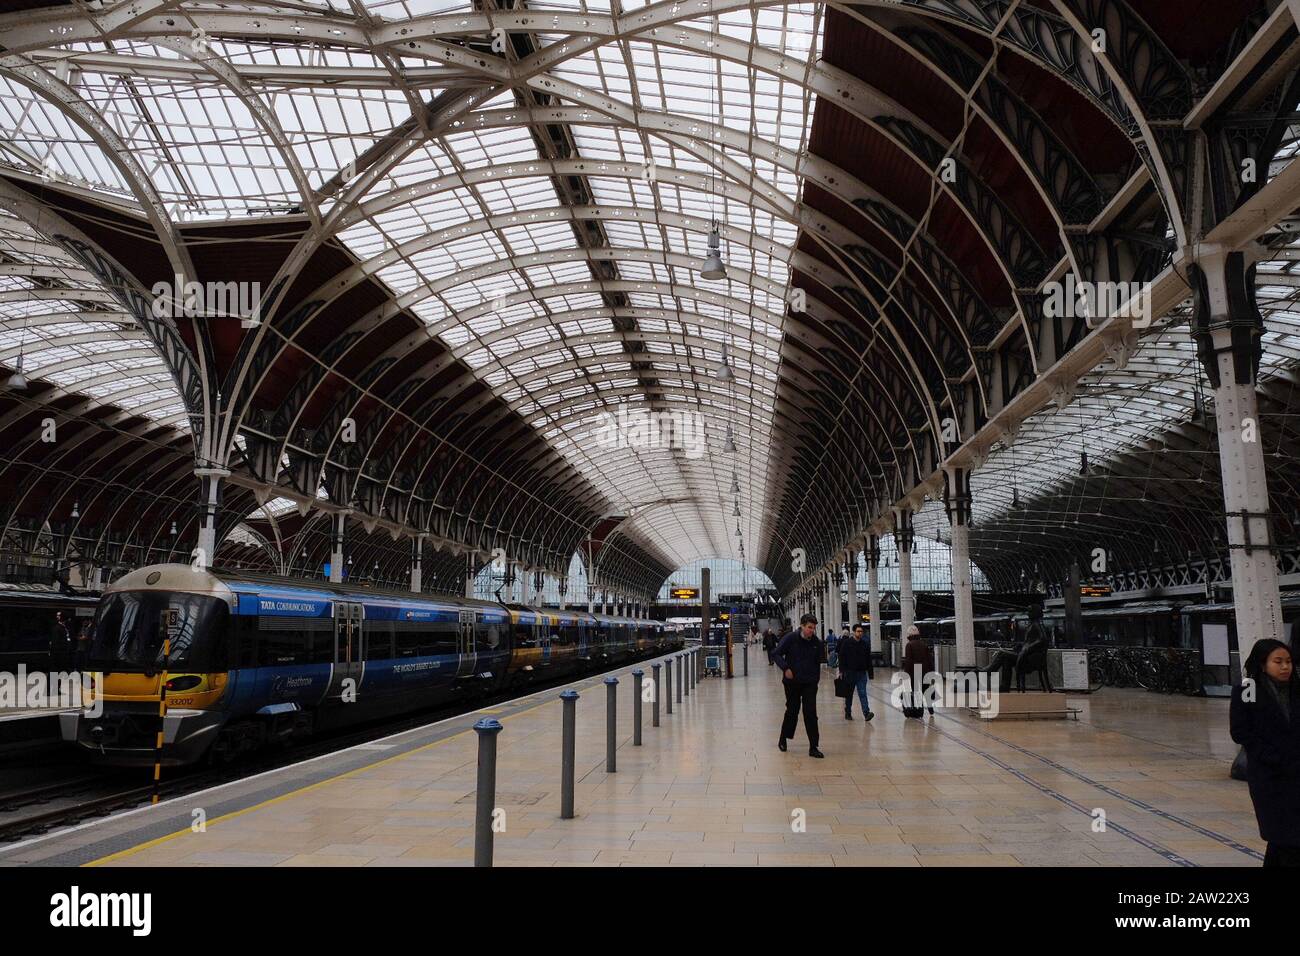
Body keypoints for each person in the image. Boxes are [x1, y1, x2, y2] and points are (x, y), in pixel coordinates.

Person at [1230, 638, 1300, 866]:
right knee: (1283, 834)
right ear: (1262, 664)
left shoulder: (1296, 688)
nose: (1285, 667)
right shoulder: (1248, 688)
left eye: (1288, 661)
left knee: (1289, 838)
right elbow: (1241, 731)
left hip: (1297, 772)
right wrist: (1269, 755)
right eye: (1278, 661)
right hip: (1269, 775)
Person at [772, 613, 824, 757]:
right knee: (792, 711)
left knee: (811, 713)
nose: (811, 631)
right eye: (809, 628)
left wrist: (815, 680)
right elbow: (775, 653)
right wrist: (785, 668)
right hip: (792, 683)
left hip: (809, 683)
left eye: (813, 628)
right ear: (802, 626)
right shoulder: (790, 638)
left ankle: (813, 746)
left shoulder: (816, 643)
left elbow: (817, 663)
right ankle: (783, 738)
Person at [838, 623, 874, 721]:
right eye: (858, 631)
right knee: (849, 694)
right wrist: (841, 671)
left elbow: (868, 659)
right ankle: (848, 712)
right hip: (850, 673)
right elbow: (842, 657)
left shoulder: (864, 644)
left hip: (861, 673)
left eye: (861, 631)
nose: (860, 633)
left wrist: (870, 673)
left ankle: (866, 713)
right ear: (854, 632)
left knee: (862, 693)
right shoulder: (847, 643)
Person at [900, 624, 934, 717]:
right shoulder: (924, 644)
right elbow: (930, 659)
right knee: (925, 690)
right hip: (925, 671)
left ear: (909, 635)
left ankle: (919, 711)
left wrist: (906, 675)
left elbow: (909, 661)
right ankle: (930, 708)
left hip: (915, 671)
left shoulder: (909, 645)